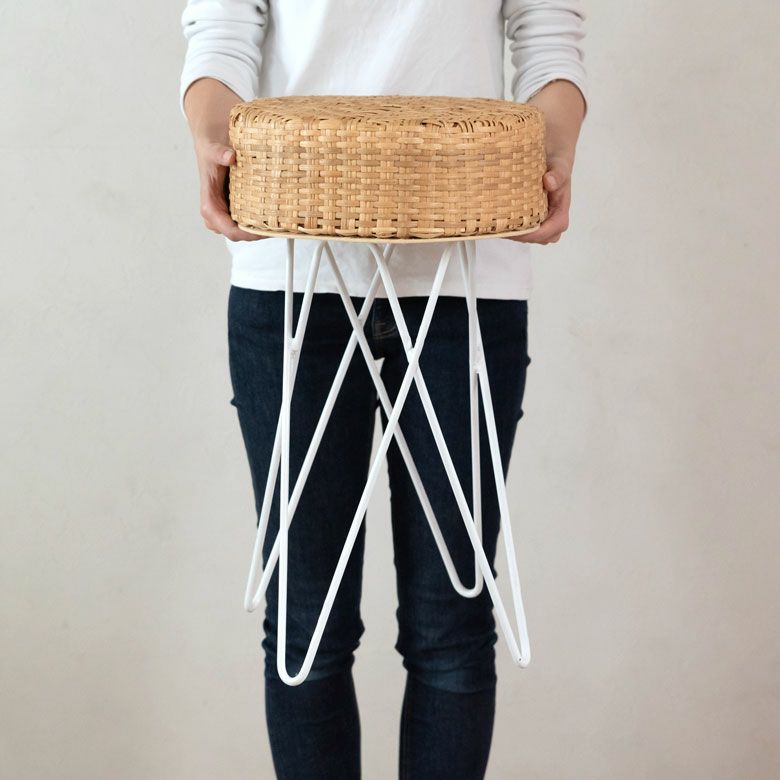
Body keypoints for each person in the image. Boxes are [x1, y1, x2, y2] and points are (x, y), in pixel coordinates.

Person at [179, 2, 587, 777]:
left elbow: (548, 33)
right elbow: (221, 29)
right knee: (306, 625)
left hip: (468, 268)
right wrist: (213, 140)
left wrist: (554, 155)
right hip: (291, 265)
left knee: (452, 620)